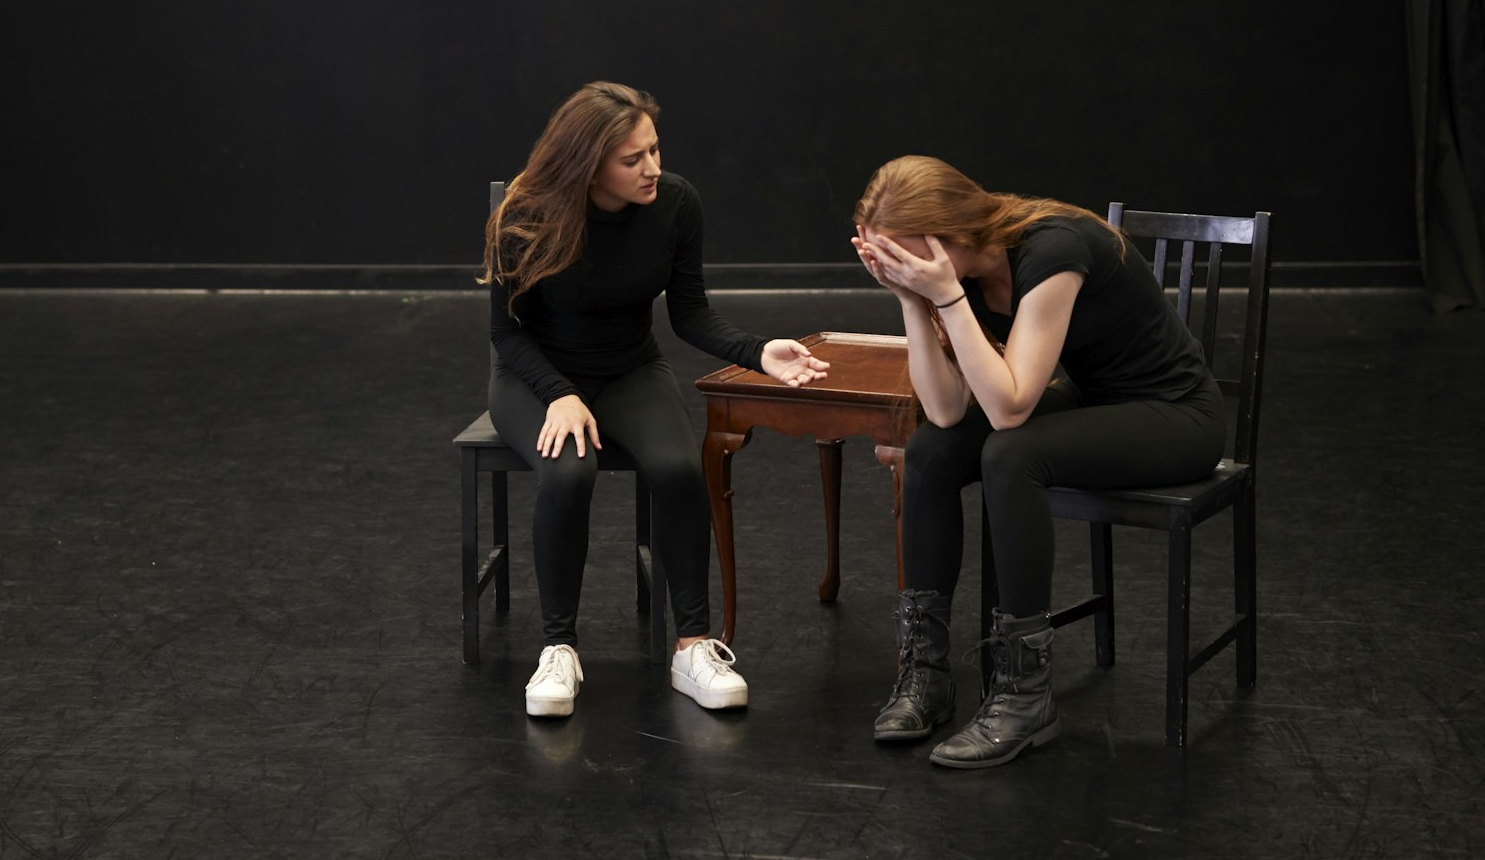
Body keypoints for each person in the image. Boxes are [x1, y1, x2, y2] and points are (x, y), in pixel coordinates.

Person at [849, 156, 1224, 768]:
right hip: (1098, 404)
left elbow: (1010, 407)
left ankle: (1026, 695)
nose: (903, 267)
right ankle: (926, 673)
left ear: (950, 234)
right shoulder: (960, 274)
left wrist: (943, 294)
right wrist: (912, 300)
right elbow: (944, 411)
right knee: (930, 449)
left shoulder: (1053, 249)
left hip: (1178, 416)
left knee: (1010, 452)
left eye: (907, 256)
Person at [481, 81, 830, 719]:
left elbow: (691, 315)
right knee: (569, 471)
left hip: (628, 369)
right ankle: (559, 647)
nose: (653, 168)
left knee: (676, 469)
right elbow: (507, 334)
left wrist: (759, 352)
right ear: (589, 165)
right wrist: (558, 394)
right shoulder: (527, 213)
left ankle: (692, 646)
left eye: (655, 150)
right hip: (535, 378)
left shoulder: (675, 205)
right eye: (632, 158)